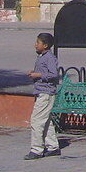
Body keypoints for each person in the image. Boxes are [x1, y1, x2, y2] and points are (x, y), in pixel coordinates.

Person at [24, 32, 59, 160]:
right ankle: (53, 146)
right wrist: (35, 73)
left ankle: (37, 149)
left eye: (38, 43)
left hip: (46, 93)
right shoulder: (42, 57)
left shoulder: (49, 57)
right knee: (46, 120)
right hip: (41, 91)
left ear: (45, 45)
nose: (35, 45)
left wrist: (38, 75)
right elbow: (45, 71)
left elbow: (54, 74)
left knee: (36, 121)